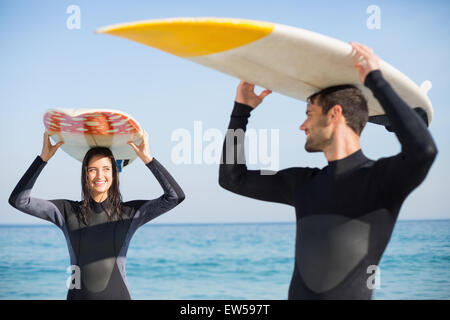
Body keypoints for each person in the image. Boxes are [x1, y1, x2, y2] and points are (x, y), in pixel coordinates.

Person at [218, 42, 437, 299]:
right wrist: (241, 111)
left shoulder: (381, 180)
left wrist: (376, 80)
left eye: (309, 114)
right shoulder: (301, 182)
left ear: (335, 114)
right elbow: (233, 178)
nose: (302, 125)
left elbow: (423, 150)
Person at [9, 130, 185, 300]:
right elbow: (19, 201)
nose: (100, 175)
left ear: (114, 174)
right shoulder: (66, 211)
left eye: (106, 169)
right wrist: (42, 159)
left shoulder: (130, 213)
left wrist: (148, 159)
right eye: (93, 169)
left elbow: (175, 197)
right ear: (85, 174)